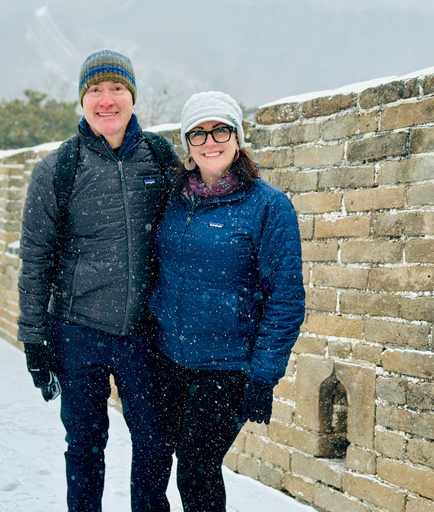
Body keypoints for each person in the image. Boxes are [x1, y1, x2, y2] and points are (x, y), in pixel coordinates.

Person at [17, 49, 179, 512]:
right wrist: (34, 340)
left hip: (143, 334)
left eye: (117, 89)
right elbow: (35, 260)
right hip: (76, 331)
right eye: (95, 90)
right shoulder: (57, 170)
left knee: (153, 442)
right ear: (82, 100)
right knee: (85, 448)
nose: (106, 100)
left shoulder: (161, 159)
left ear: (132, 96)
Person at [148, 91, 305, 512]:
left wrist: (263, 376)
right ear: (187, 145)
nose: (210, 141)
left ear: (237, 137)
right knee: (152, 465)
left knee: (197, 470)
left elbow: (286, 299)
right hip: (167, 359)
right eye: (198, 134)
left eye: (220, 129)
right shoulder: (173, 199)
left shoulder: (267, 206)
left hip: (227, 368)